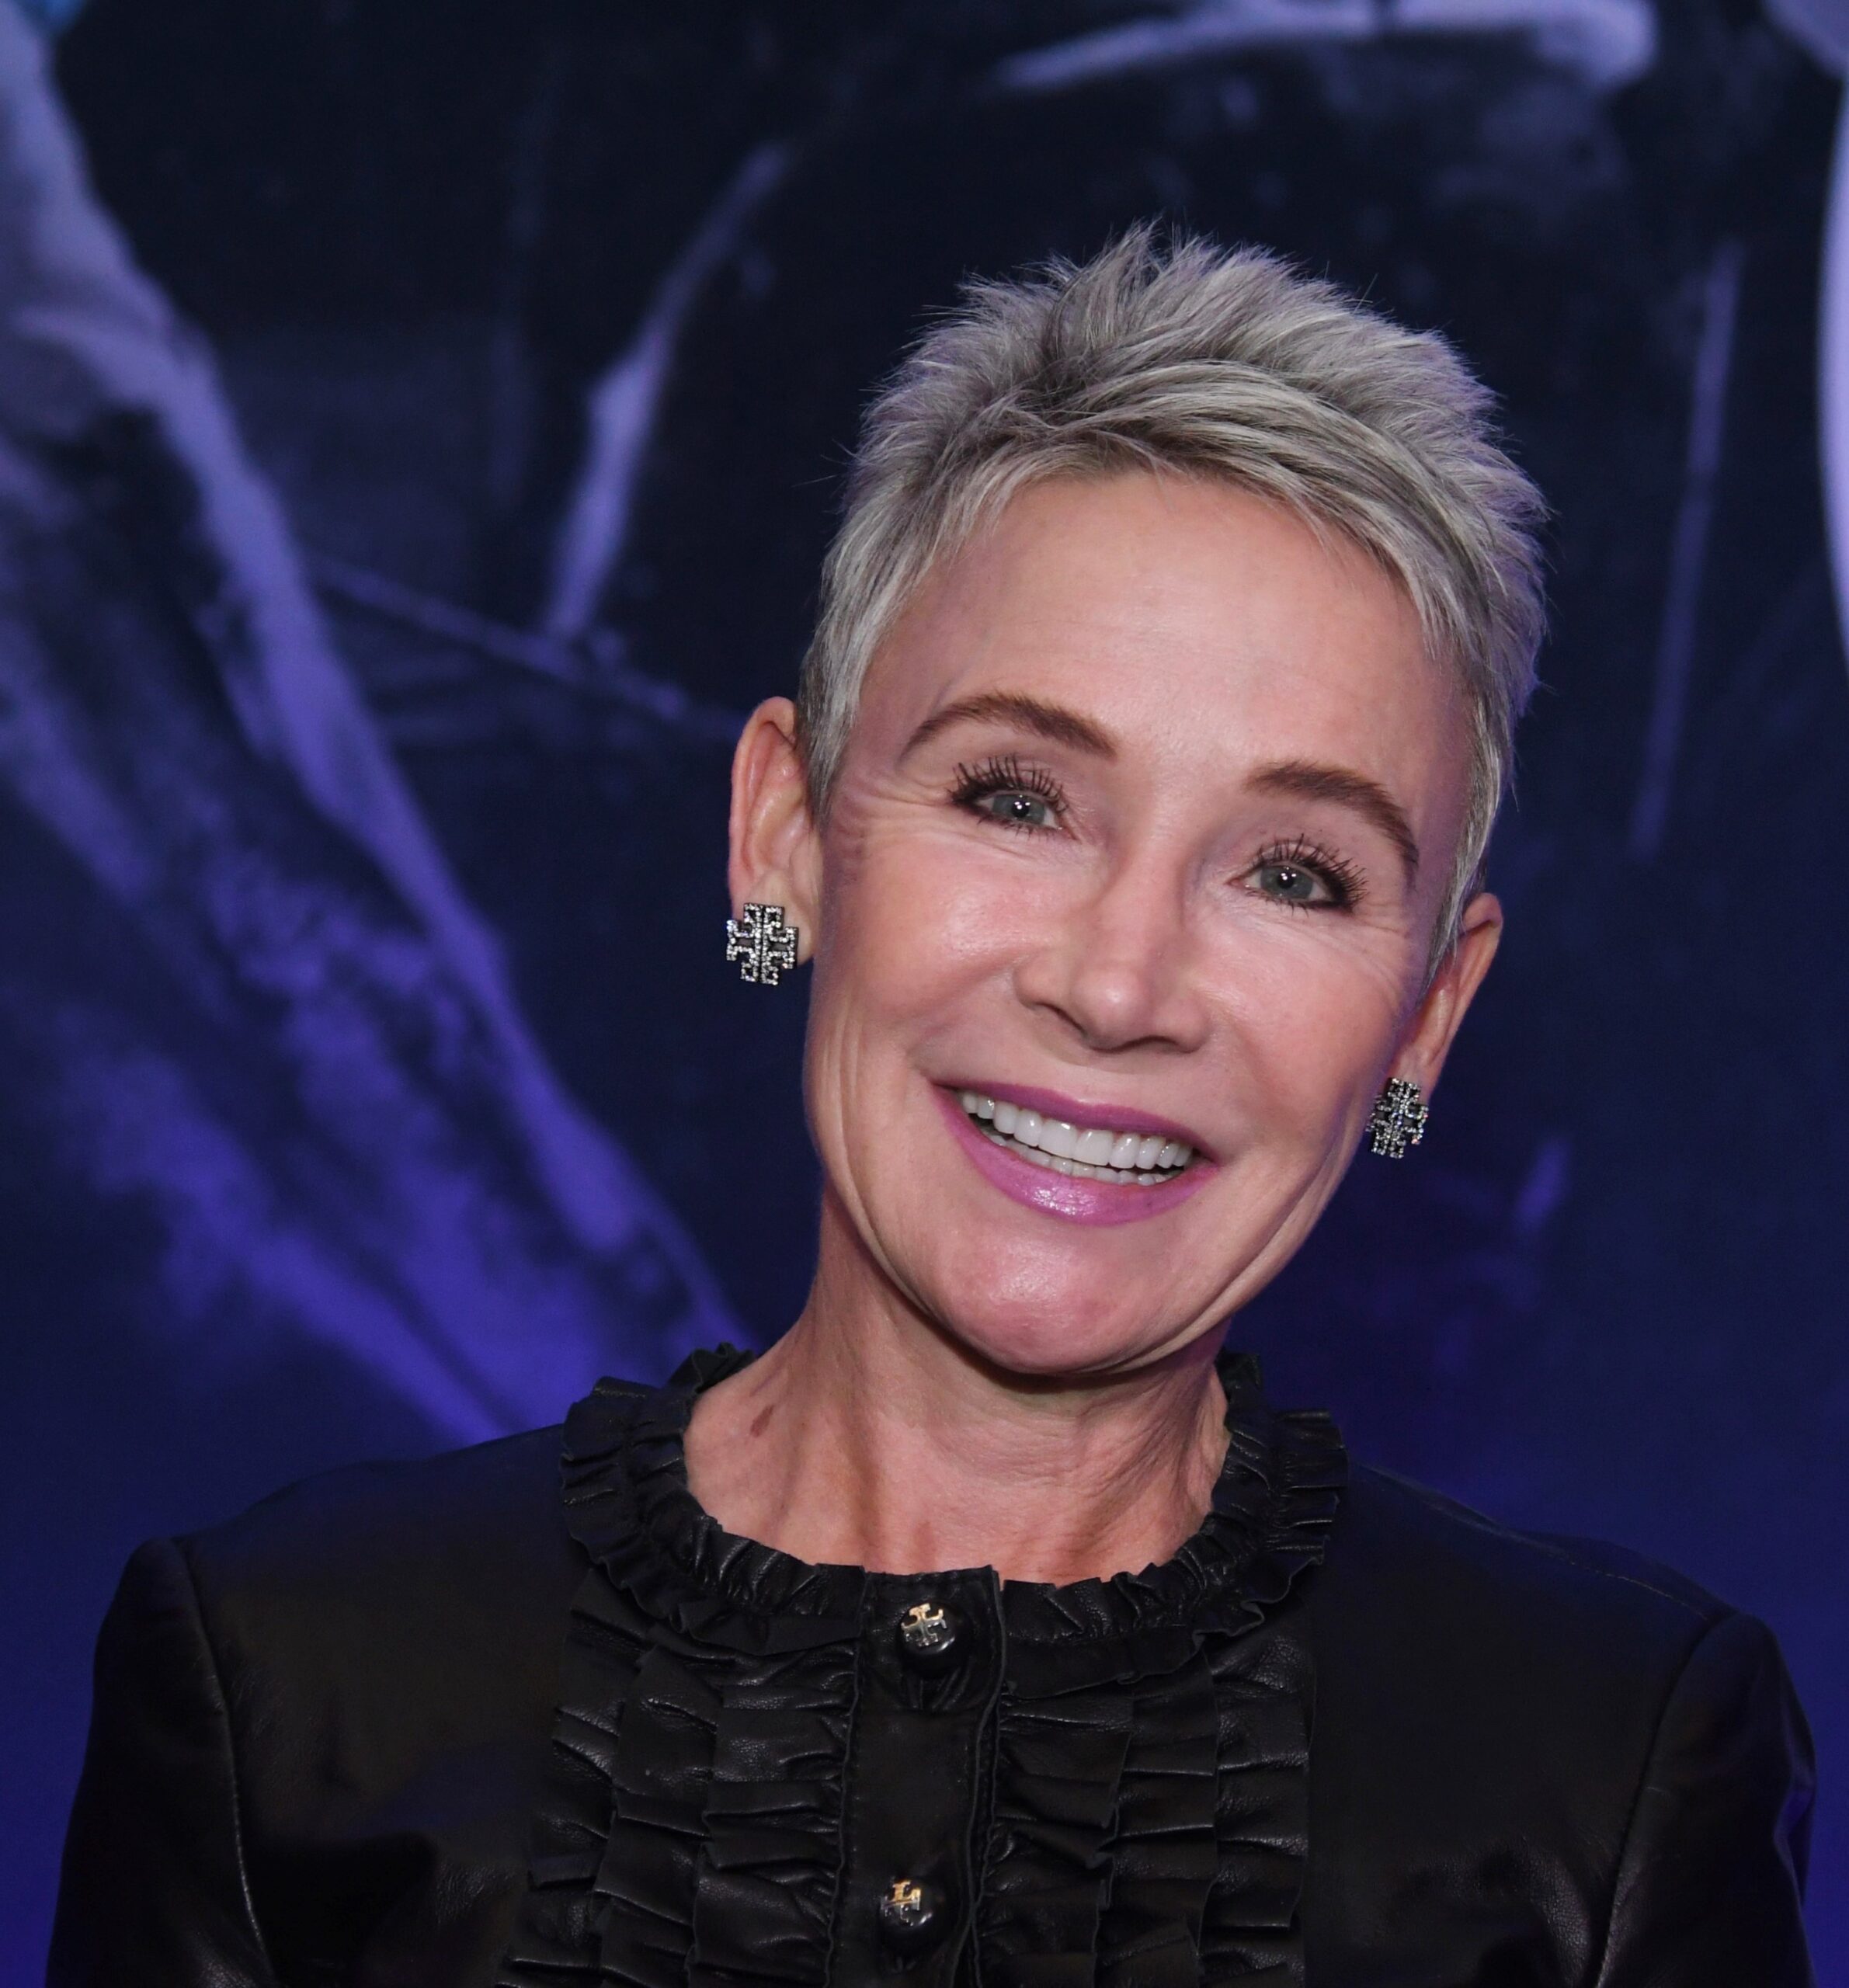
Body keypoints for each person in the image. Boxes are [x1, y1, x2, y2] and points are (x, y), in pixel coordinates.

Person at [50, 229, 1816, 1987]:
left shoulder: (1615, 1774)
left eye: (1293, 872)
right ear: (786, 833)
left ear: (1427, 1015)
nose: (1118, 985)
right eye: (1016, 798)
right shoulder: (282, 1685)